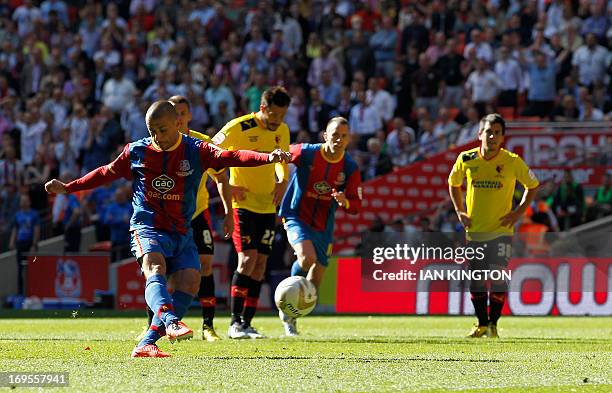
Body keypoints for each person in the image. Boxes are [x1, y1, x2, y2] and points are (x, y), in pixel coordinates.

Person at [45, 100, 290, 357]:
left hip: (181, 230)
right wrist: (69, 187)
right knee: (155, 267)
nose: (157, 136)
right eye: (152, 130)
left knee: (191, 281)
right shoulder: (137, 151)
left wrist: (267, 157)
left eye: (162, 129)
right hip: (147, 226)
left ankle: (147, 342)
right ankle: (171, 320)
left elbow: (232, 156)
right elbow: (107, 172)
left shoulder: (197, 150)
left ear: (178, 124)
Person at [448, 113, 539, 338]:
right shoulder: (467, 159)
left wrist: (518, 212)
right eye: (489, 132)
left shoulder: (512, 161)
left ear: (502, 137)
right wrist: (460, 210)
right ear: (480, 134)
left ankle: (494, 325)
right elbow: (453, 183)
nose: (492, 136)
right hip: (475, 232)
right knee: (476, 279)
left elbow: (533, 185)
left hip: (501, 231)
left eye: (497, 133)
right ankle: (481, 324)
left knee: (498, 276)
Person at [211, 86, 291, 339]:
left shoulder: (282, 130)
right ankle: (234, 323)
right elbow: (210, 153)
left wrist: (282, 181)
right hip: (242, 205)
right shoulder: (239, 127)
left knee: (260, 266)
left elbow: (282, 163)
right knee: (247, 260)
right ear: (264, 108)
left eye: (283, 116)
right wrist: (227, 184)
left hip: (267, 206)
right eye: (275, 115)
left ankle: (247, 324)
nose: (278, 121)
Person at [278, 117, 362, 336]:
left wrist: (345, 201)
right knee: (307, 258)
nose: (339, 139)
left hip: (324, 225)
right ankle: (286, 307)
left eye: (343, 136)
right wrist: (279, 179)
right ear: (325, 135)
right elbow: (279, 154)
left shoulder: (350, 167)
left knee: (315, 279)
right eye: (334, 134)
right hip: (296, 215)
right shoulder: (306, 153)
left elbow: (356, 206)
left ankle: (293, 316)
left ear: (349, 139)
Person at [9, 193, 40, 295]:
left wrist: (34, 244)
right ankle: (20, 292)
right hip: (20, 244)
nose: (23, 202)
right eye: (22, 200)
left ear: (29, 202)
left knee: (33, 268)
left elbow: (36, 229)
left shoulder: (34, 214)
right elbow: (15, 229)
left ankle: (33, 291)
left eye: (25, 200)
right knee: (20, 269)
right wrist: (12, 242)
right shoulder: (17, 215)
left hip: (30, 243)